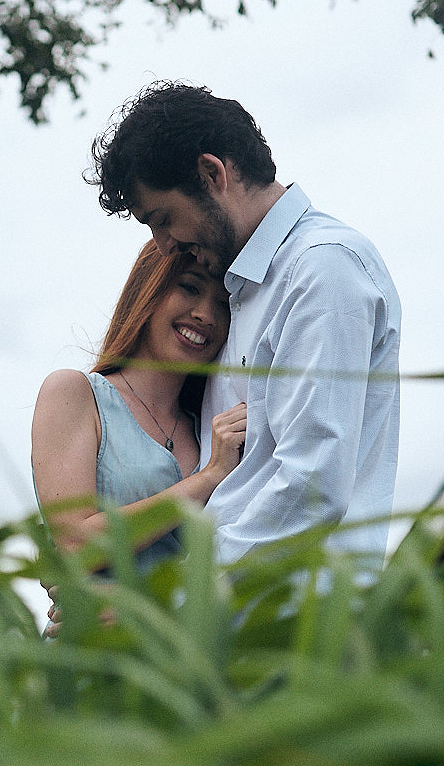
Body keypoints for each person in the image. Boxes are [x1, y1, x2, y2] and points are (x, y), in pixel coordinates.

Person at [86, 80, 401, 569]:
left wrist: (180, 600)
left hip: (292, 607)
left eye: (162, 218)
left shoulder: (321, 268)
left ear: (212, 174)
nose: (163, 245)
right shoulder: (241, 292)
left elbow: (310, 489)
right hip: (230, 604)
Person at [31, 240, 247, 578]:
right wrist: (209, 477)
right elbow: (76, 546)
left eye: (223, 304)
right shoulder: (76, 394)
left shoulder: (212, 427)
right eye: (189, 288)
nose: (206, 315)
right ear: (148, 291)